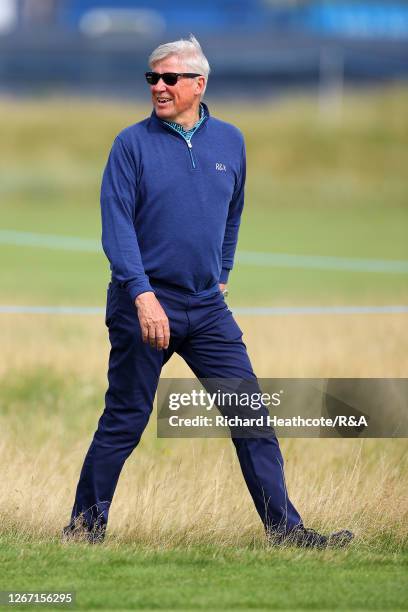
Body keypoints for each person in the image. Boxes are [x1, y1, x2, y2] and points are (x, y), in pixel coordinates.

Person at [63, 35, 353, 549]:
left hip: (207, 306)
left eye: (170, 78)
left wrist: (222, 271)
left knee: (251, 416)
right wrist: (141, 294)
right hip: (145, 304)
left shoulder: (231, 141)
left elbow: (233, 212)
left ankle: (287, 534)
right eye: (152, 78)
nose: (159, 86)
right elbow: (117, 228)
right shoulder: (130, 144)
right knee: (126, 418)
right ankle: (84, 529)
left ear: (199, 83)